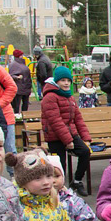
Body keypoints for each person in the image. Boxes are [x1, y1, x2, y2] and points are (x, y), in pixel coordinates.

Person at [41, 66, 91, 197]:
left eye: (68, 80)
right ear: (56, 82)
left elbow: (78, 118)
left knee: (85, 152)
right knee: (59, 165)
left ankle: (77, 180)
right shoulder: (50, 97)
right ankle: (57, 190)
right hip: (55, 136)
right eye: (62, 80)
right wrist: (68, 140)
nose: (66, 83)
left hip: (70, 134)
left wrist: (86, 138)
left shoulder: (69, 97)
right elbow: (55, 121)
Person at [8, 49, 33, 118]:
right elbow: (10, 75)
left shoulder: (21, 63)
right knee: (17, 105)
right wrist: (17, 77)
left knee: (25, 104)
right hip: (19, 87)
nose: (22, 56)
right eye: (21, 55)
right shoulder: (13, 64)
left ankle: (24, 117)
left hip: (25, 86)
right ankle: (17, 117)